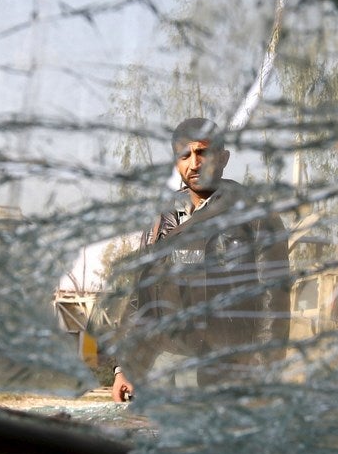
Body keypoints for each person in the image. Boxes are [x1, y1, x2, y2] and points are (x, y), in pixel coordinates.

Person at [111, 118, 290, 402]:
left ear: (223, 157)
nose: (194, 163)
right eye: (184, 155)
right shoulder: (160, 220)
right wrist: (124, 367)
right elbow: (139, 298)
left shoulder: (256, 218)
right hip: (165, 368)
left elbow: (274, 302)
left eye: (202, 152)